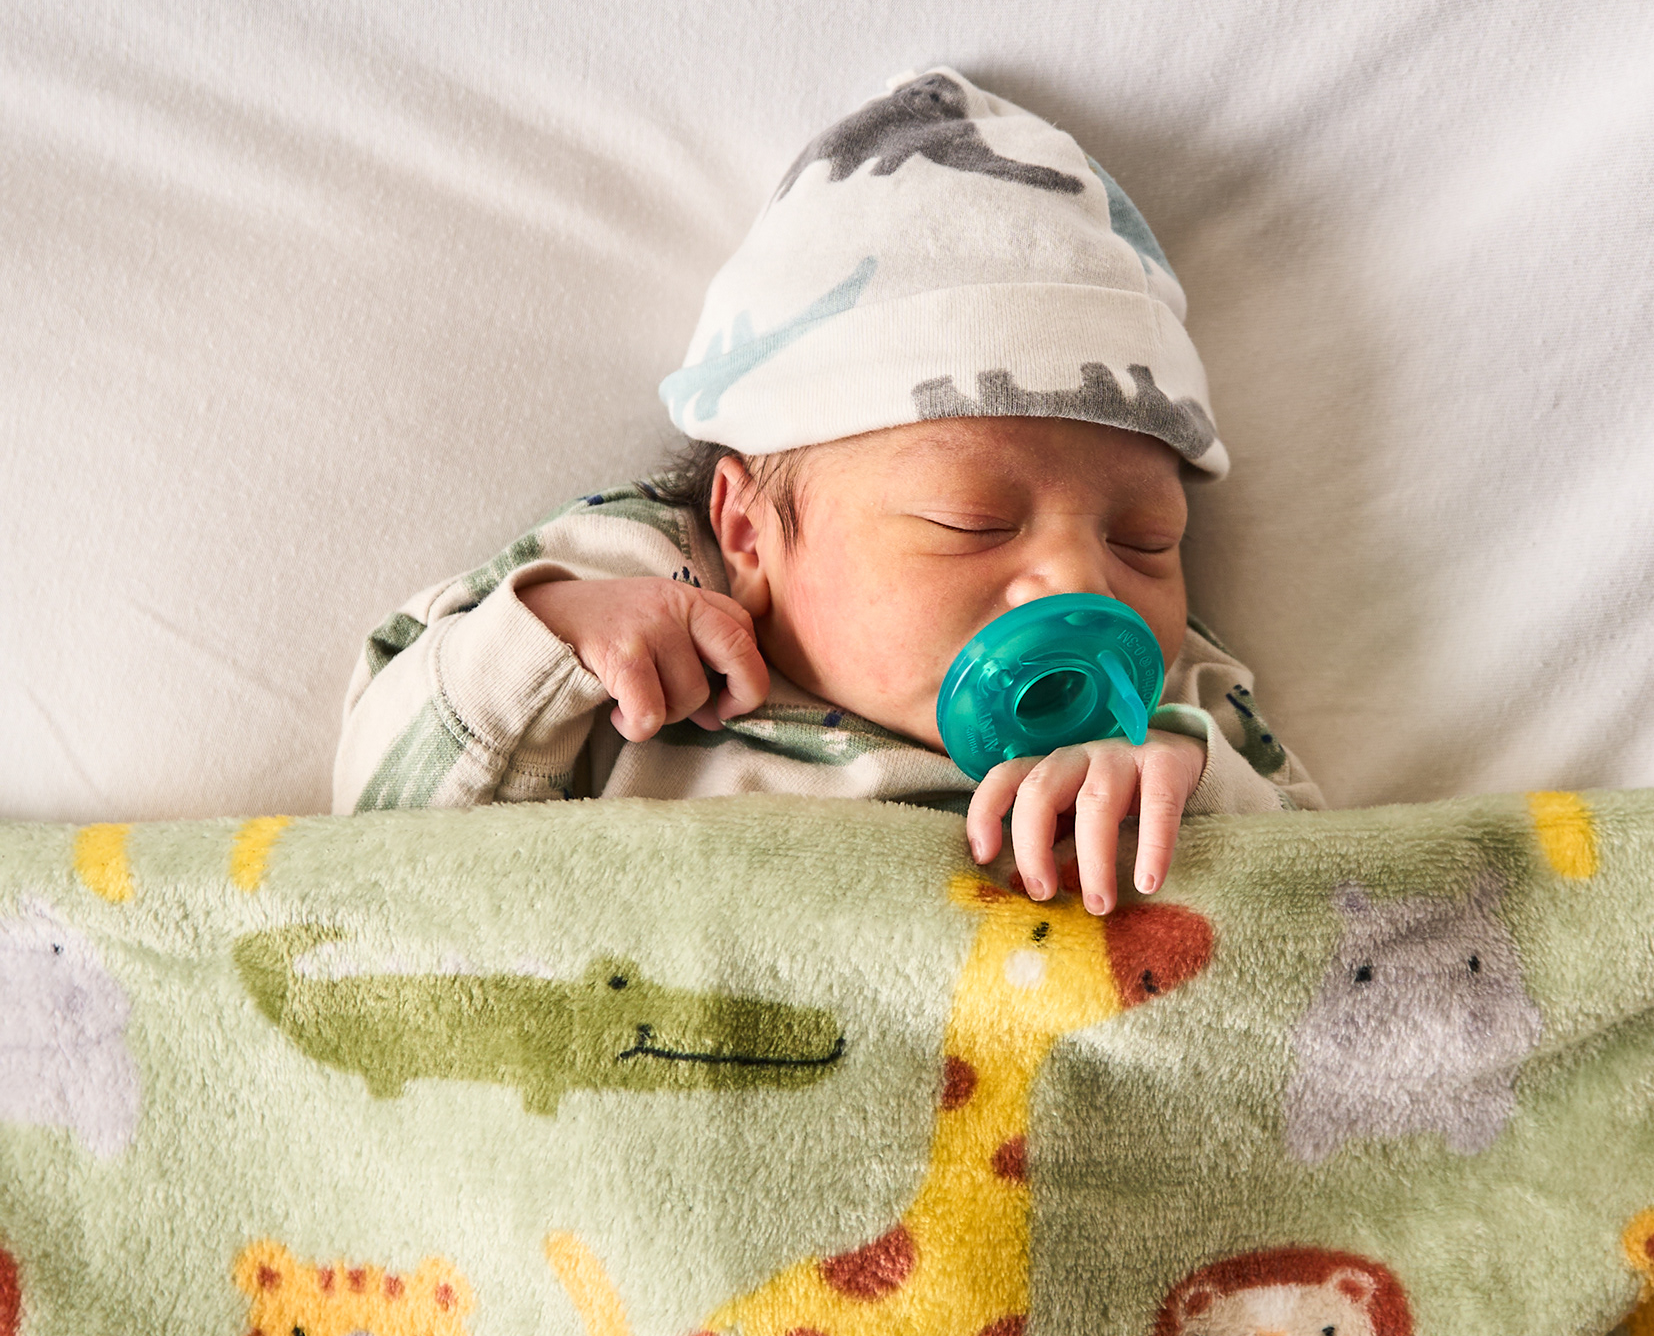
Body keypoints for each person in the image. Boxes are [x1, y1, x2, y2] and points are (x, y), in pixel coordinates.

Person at [333, 70, 1320, 912]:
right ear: (747, 532)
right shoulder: (635, 611)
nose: (1084, 584)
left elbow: (1347, 902)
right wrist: (547, 647)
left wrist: (1190, 799)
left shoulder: (1170, 701)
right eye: (972, 521)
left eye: (1146, 539)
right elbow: (372, 845)